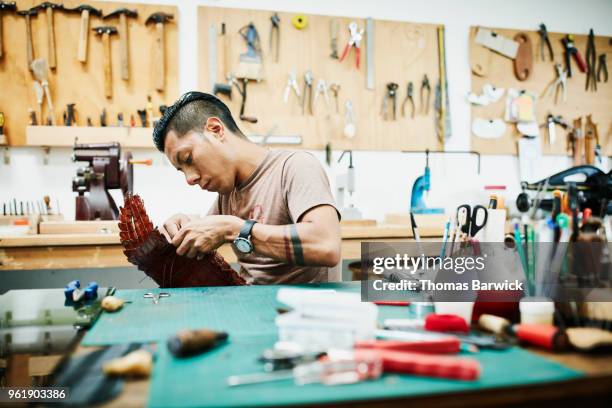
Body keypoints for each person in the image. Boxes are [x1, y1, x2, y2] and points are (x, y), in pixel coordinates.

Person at [152, 91, 341, 284]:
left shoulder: (295, 167)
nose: (190, 178)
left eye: (188, 159)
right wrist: (181, 229)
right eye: (181, 170)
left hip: (302, 311)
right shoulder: (227, 193)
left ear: (215, 130)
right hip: (250, 306)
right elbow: (206, 233)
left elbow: (326, 246)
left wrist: (235, 230)